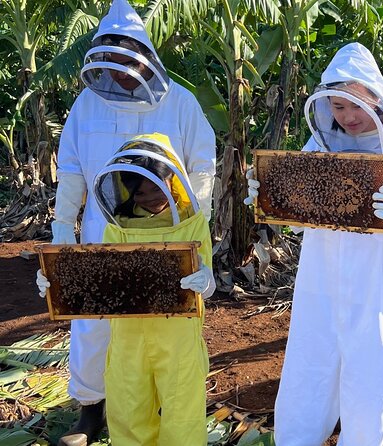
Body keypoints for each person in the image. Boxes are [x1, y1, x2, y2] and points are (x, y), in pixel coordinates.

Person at [246, 42, 383, 445]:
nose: (347, 117)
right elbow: (298, 224)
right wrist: (271, 196)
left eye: (355, 105)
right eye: (337, 106)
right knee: (306, 378)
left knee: (365, 393)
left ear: (376, 100)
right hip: (319, 288)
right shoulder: (319, 147)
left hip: (376, 294)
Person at [43, 0, 216, 444]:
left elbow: (202, 167)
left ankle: (162, 413)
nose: (119, 71)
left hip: (167, 230)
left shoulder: (181, 103)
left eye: (126, 59)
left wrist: (188, 227)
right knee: (94, 325)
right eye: (112, 59)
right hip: (103, 232)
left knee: (162, 325)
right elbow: (74, 169)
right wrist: (63, 232)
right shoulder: (86, 105)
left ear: (144, 55)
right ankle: (91, 411)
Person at [39, 133, 214, 445]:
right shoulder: (118, 225)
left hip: (179, 340)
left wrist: (205, 280)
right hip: (127, 339)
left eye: (153, 188)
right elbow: (103, 280)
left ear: (170, 179)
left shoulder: (193, 222)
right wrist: (59, 283)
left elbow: (208, 278)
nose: (149, 198)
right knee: (128, 409)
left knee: (182, 412)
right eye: (139, 193)